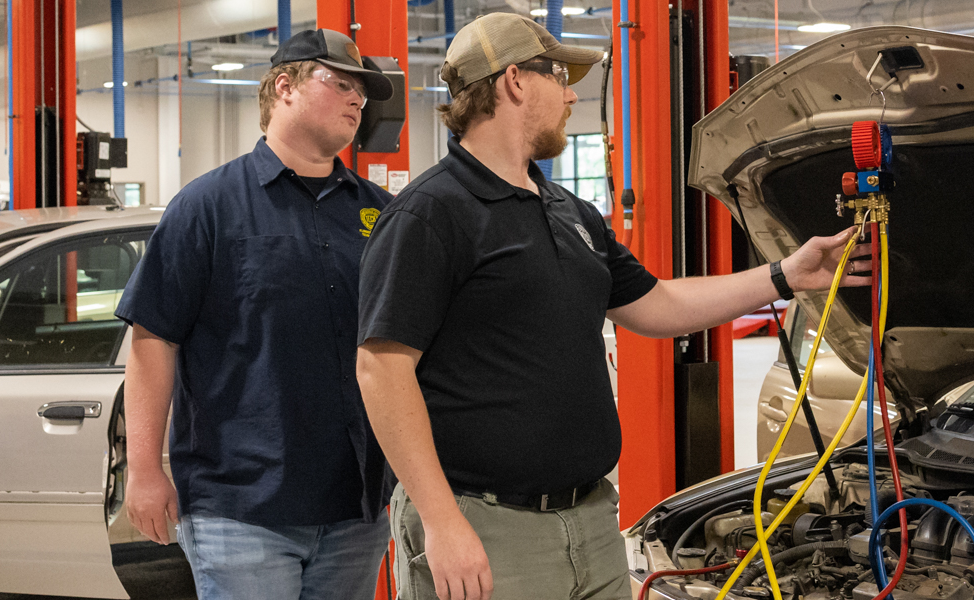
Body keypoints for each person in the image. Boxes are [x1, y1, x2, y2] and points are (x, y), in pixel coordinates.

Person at [352, 14, 870, 600]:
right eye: (560, 77)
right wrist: (442, 523)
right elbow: (381, 370)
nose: (573, 94)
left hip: (593, 521)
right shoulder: (431, 214)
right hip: (486, 527)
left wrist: (785, 275)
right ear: (516, 81)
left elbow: (657, 303)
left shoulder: (568, 211)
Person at [115, 29, 399, 600]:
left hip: (357, 507)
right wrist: (144, 470)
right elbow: (153, 338)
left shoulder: (380, 213)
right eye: (340, 83)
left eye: (362, 93)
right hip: (240, 507)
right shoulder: (208, 207)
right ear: (285, 86)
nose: (357, 100)